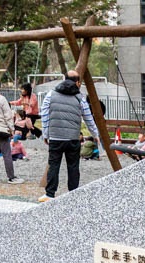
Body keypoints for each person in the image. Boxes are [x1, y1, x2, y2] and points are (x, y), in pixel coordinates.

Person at [38, 70, 100, 202]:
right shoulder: (79, 98)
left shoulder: (51, 94)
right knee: (73, 166)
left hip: (55, 137)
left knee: (54, 165)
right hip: (73, 138)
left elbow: (44, 114)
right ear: (77, 82)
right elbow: (88, 117)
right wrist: (95, 134)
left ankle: (50, 194)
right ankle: (73, 194)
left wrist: (46, 133)